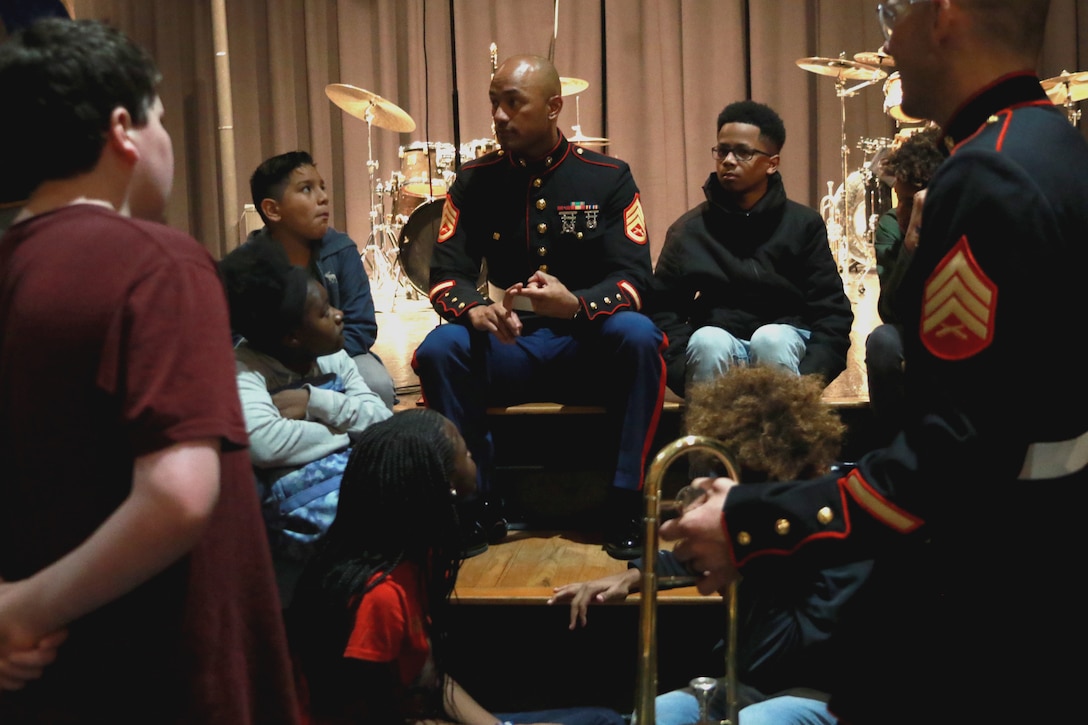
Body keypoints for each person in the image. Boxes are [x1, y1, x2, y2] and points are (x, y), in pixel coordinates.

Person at [660, 2, 1088, 723]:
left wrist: (753, 519)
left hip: (1002, 587)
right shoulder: (1051, 148)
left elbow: (952, 450)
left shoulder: (989, 174)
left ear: (944, 16)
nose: (885, 41)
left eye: (896, 14)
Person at [0, 17, 300, 723]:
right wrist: (21, 607)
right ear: (122, 131)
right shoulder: (158, 262)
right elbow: (177, 493)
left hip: (49, 674)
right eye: (159, 118)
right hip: (161, 664)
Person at [412, 54, 666, 560]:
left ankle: (625, 499)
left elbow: (635, 279)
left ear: (553, 107)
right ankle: (475, 500)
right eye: (495, 104)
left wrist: (578, 304)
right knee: (440, 348)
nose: (500, 116)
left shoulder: (606, 177)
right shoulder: (475, 179)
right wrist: (474, 310)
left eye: (513, 103)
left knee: (641, 337)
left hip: (585, 342)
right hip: (509, 343)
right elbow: (446, 275)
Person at [550, 366, 867, 725]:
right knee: (654, 716)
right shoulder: (755, 520)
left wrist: (752, 556)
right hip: (751, 686)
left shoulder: (842, 529)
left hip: (823, 695)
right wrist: (635, 574)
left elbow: (777, 654)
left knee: (755, 722)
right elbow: (690, 559)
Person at [288, 408, 626, 725]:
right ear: (443, 481)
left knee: (604, 719)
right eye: (465, 454)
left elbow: (429, 676)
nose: (473, 459)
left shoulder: (415, 559)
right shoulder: (379, 598)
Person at [218, 241, 393, 599]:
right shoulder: (244, 368)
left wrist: (316, 401)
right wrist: (350, 432)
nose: (339, 314)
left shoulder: (333, 354)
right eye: (325, 312)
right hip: (286, 523)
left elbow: (381, 420)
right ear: (293, 336)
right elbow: (266, 443)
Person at [649, 100, 853, 399]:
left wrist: (808, 380)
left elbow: (831, 313)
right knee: (708, 341)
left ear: (772, 163)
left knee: (770, 339)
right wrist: (683, 370)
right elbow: (661, 312)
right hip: (717, 349)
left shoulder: (803, 225)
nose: (728, 160)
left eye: (743, 152)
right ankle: (710, 444)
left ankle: (782, 441)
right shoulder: (689, 230)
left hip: (784, 345)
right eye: (722, 151)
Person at [247, 150, 397, 410]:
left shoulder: (341, 249)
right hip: (272, 362)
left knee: (377, 385)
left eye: (322, 187)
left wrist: (316, 360)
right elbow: (239, 335)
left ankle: (366, 449)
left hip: (339, 355)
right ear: (272, 209)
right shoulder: (249, 263)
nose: (323, 197)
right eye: (307, 189)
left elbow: (361, 326)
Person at [865, 126, 943, 442]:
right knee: (883, 342)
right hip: (913, 327)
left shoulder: (965, 219)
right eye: (898, 195)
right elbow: (891, 309)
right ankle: (891, 446)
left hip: (963, 326)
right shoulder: (890, 226)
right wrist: (912, 238)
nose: (899, 208)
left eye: (909, 201)